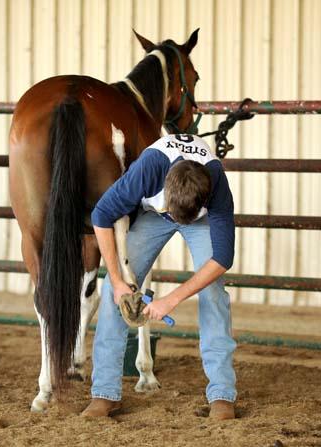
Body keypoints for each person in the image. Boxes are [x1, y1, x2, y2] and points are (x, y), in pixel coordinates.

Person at [82, 133, 237, 420]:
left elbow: (222, 259)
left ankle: (222, 394)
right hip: (155, 214)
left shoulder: (217, 184)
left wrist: (171, 299)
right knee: (114, 293)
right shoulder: (149, 169)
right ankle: (104, 393)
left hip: (198, 220)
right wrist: (117, 280)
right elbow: (101, 215)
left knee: (213, 292)